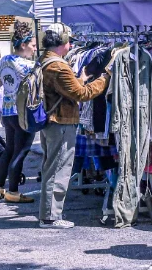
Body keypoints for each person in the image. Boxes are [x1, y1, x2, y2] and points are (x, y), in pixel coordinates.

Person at [40, 22, 111, 229]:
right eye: (69, 41)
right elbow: (82, 94)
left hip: (51, 122)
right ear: (61, 42)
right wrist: (105, 78)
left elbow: (70, 89)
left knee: (51, 166)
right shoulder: (59, 66)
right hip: (61, 122)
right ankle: (51, 217)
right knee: (59, 168)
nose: (71, 45)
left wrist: (81, 78)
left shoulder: (45, 60)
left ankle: (49, 214)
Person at [0, 21, 39, 203]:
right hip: (22, 112)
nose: (35, 49)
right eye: (33, 46)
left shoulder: (4, 60)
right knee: (21, 151)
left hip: (7, 110)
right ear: (24, 45)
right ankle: (13, 192)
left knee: (9, 149)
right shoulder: (28, 66)